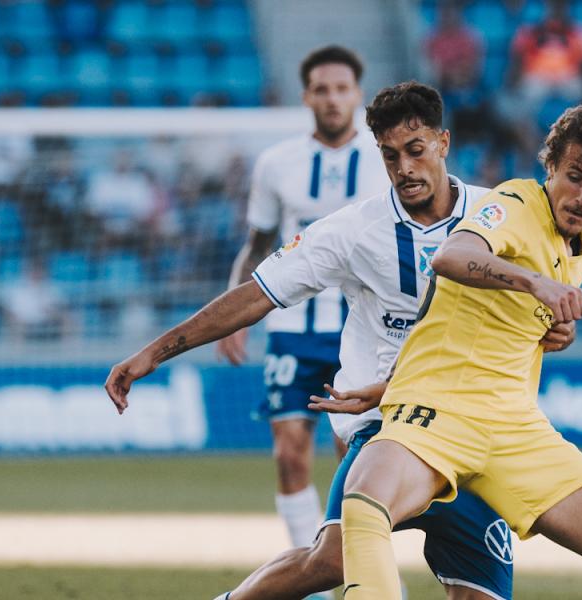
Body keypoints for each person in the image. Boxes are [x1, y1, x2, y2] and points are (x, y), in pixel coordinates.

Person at [104, 82, 574, 600]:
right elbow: (256, 295)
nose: (404, 168)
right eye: (390, 156)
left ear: (442, 143)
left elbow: (539, 303)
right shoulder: (353, 230)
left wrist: (556, 328)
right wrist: (154, 352)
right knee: (334, 557)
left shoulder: (498, 213)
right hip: (385, 424)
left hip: (473, 428)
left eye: (415, 151)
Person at [330, 104, 582, 599]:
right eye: (573, 176)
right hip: (440, 412)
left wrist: (553, 329)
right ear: (551, 166)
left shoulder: (577, 250)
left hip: (513, 427)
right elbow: (452, 256)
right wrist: (536, 285)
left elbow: (482, 327)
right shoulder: (515, 202)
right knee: (364, 506)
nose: (581, 196)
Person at [214, 45, 391, 561]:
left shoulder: (385, 161)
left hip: (361, 333)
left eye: (342, 89)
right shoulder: (276, 164)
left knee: (352, 459)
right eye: (322, 89)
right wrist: (234, 315)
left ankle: (366, 568)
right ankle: (310, 573)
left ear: (358, 95)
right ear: (306, 96)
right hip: (292, 326)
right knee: (290, 453)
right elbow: (257, 243)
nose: (333, 99)